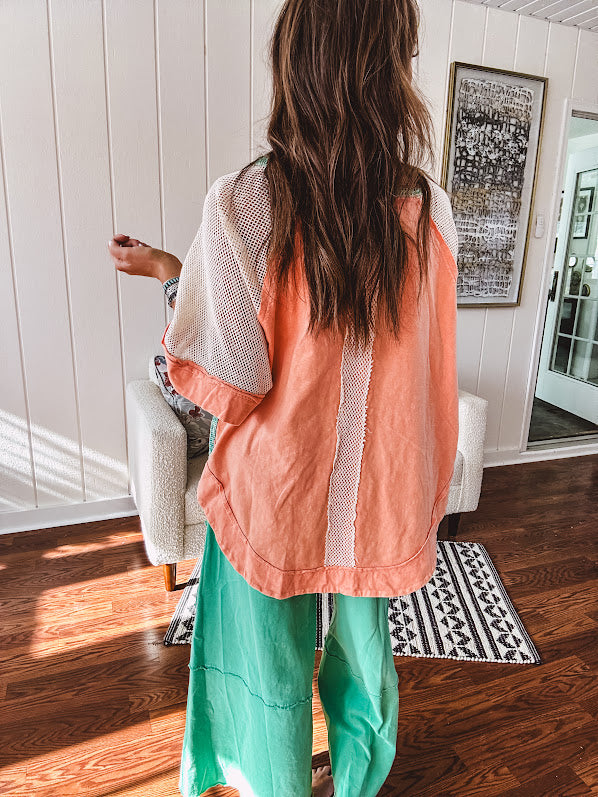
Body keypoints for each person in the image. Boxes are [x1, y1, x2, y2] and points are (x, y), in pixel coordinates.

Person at [108, 0, 459, 794]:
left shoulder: (247, 201)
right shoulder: (431, 211)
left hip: (275, 492)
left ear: (293, 58)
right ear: (392, 64)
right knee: (367, 667)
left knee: (259, 676)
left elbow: (225, 386)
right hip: (382, 494)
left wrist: (174, 281)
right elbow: (432, 376)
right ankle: (358, 783)